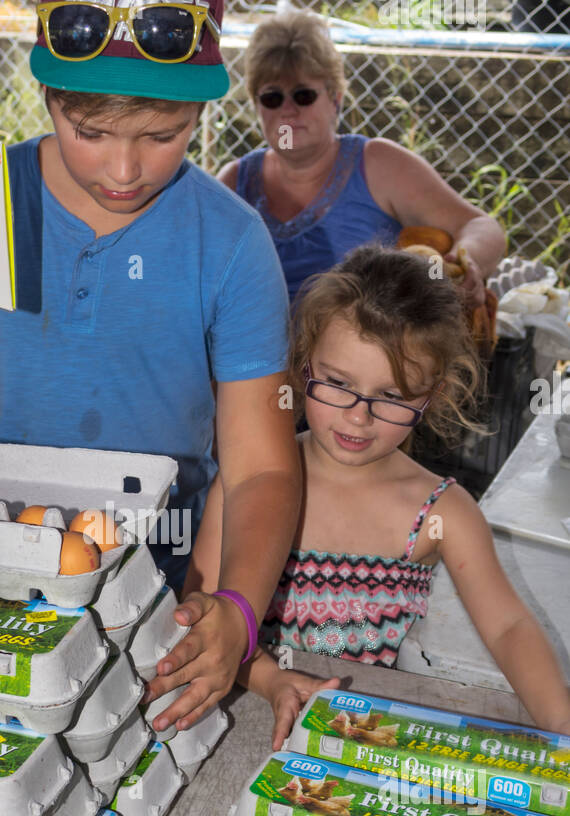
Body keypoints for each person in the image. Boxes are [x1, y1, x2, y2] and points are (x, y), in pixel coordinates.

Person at [0, 0, 301, 734]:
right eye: (91, 132)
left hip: (162, 577)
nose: (124, 168)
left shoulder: (231, 243)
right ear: (47, 96)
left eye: (163, 136)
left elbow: (260, 468)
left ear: (202, 113)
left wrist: (239, 611)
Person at [175, 245, 570, 749]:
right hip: (234, 719)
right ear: (303, 364)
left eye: (392, 396)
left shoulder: (442, 512)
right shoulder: (245, 484)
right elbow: (203, 611)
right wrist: (271, 680)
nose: (359, 416)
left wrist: (561, 724)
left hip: (361, 746)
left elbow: (509, 627)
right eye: (338, 383)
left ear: (433, 393)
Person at [217, 8, 507, 306]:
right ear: (256, 105)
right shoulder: (235, 183)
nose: (288, 111)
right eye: (272, 98)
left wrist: (464, 263)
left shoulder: (378, 164)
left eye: (303, 95)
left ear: (335, 99)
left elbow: (481, 226)